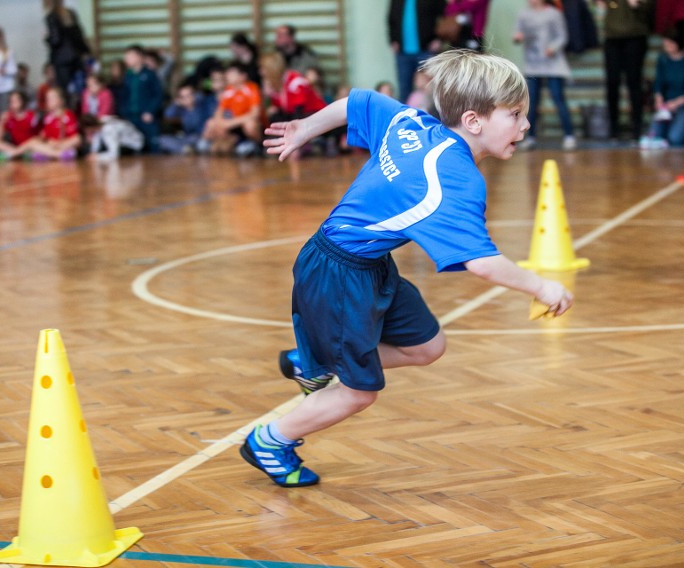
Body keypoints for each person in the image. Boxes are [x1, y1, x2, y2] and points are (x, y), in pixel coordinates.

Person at [240, 50, 573, 488]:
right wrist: (541, 287)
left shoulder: (410, 122)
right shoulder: (453, 178)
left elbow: (357, 102)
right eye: (515, 114)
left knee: (428, 346)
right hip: (336, 273)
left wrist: (306, 127)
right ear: (474, 121)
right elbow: (483, 261)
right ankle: (268, 440)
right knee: (360, 393)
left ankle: (314, 360)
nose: (525, 124)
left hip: (368, 265)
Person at [513, 0, 577, 151]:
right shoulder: (524, 14)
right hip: (532, 65)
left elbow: (562, 36)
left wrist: (552, 48)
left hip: (553, 65)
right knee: (531, 102)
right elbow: (517, 32)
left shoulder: (554, 13)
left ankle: (569, 135)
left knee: (558, 98)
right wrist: (518, 37)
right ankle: (531, 137)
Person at [599, 0, 654, 140]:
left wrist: (637, 4)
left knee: (634, 82)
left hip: (635, 36)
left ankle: (636, 127)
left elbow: (650, 9)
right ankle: (614, 128)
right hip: (612, 37)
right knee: (612, 83)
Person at [642, 28, 684, 148]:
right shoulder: (663, 59)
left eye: (670, 44)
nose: (667, 47)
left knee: (675, 139)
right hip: (666, 105)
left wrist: (675, 104)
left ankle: (683, 128)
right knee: (655, 136)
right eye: (665, 44)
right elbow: (658, 83)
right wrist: (659, 99)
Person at [387, 0, 447, 102]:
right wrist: (393, 40)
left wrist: (439, 39)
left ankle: (433, 115)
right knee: (404, 89)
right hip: (403, 52)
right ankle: (405, 116)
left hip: (426, 50)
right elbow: (391, 19)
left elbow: (445, 15)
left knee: (430, 88)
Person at [200, 61, 261, 156]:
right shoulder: (229, 90)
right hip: (235, 125)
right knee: (212, 123)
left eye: (232, 73)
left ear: (243, 76)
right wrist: (221, 123)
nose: (228, 76)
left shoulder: (252, 88)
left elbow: (254, 114)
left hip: (246, 123)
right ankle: (235, 144)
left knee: (250, 125)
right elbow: (218, 114)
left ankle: (258, 145)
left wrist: (229, 123)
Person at [7, 86, 80, 160]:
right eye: (47, 99)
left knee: (77, 139)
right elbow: (45, 136)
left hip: (64, 145)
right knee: (34, 141)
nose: (48, 101)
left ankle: (15, 153)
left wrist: (58, 144)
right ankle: (57, 154)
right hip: (51, 146)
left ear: (61, 100)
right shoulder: (47, 118)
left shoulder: (68, 115)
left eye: (52, 98)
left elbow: (75, 138)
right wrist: (42, 140)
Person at [44, 0, 91, 102]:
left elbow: (56, 40)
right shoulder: (70, 14)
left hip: (62, 60)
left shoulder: (51, 17)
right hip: (77, 57)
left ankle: (68, 114)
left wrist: (47, 38)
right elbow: (79, 35)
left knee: (64, 92)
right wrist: (86, 52)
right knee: (80, 89)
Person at [119, 44, 162, 152]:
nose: (127, 59)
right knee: (135, 148)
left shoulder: (150, 74)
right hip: (131, 117)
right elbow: (124, 96)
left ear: (139, 57)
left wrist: (150, 111)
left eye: (130, 56)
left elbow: (158, 95)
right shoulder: (128, 76)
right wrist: (124, 112)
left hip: (146, 117)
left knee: (152, 147)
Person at [158, 83, 209, 155]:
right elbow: (168, 115)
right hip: (186, 138)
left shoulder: (202, 105)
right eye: (183, 97)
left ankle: (186, 150)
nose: (187, 99)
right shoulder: (182, 109)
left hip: (199, 137)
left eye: (189, 95)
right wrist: (176, 104)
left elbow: (196, 124)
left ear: (194, 95)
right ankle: (185, 150)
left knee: (201, 144)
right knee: (162, 140)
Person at [0, 90, 38, 160]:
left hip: (30, 145)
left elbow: (39, 134)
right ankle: (18, 153)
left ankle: (14, 153)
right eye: (11, 101)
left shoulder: (31, 115)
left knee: (34, 142)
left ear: (22, 101)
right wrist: (1, 122)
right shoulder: (8, 117)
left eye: (16, 100)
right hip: (16, 146)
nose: (13, 103)